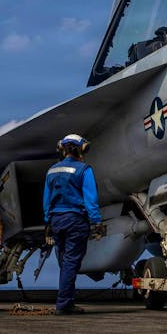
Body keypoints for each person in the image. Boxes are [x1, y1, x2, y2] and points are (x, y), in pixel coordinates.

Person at [44, 133, 102, 315]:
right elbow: (90, 199)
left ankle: (65, 299)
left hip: (56, 220)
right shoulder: (84, 170)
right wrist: (96, 221)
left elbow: (46, 200)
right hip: (75, 220)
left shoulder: (51, 170)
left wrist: (48, 222)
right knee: (71, 261)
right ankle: (64, 303)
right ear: (81, 149)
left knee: (64, 260)